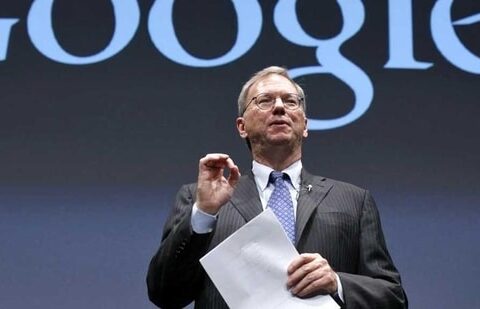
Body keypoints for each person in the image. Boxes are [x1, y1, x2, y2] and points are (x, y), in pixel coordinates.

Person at [147, 66, 408, 308]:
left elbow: (393, 297)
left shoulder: (353, 200)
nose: (280, 108)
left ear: (305, 125)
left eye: (290, 101)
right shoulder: (201, 199)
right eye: (265, 101)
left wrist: (337, 283)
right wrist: (203, 213)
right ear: (242, 127)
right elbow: (164, 294)